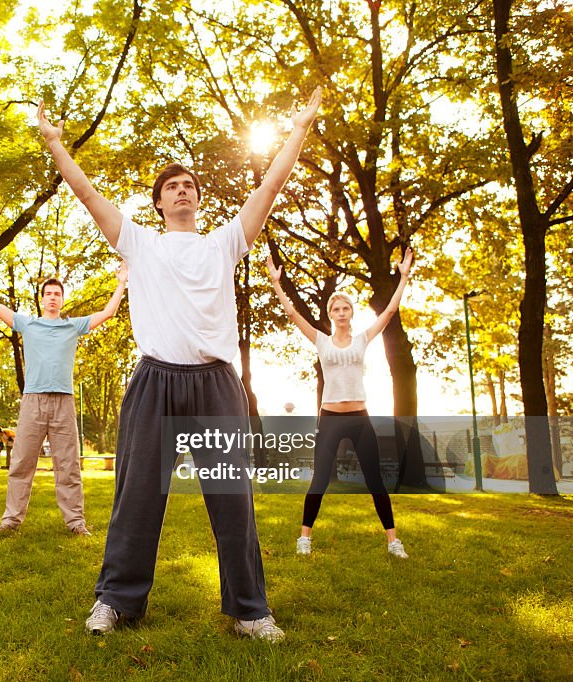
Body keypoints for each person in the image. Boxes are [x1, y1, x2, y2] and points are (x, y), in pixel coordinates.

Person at [37, 87, 322, 642]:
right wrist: (56, 145)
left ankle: (248, 609)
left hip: (215, 383)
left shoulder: (224, 242)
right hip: (155, 381)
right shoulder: (139, 243)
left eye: (189, 185)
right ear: (159, 203)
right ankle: (117, 601)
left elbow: (269, 187)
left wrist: (299, 131)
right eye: (172, 187)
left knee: (233, 503)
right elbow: (88, 194)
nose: (183, 191)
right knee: (136, 498)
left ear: (198, 199)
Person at [266, 249, 413, 559]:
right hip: (331, 418)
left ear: (351, 313)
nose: (342, 311)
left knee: (375, 481)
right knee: (320, 479)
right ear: (331, 314)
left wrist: (403, 278)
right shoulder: (321, 340)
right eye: (337, 308)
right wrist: (277, 284)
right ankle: (304, 538)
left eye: (346, 307)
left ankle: (393, 542)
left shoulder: (362, 339)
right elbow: (293, 315)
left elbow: (388, 312)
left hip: (360, 417)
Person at [0, 250, 127, 536]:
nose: (52, 297)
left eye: (57, 293)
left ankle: (75, 523)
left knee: (68, 466)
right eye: (47, 293)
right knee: (21, 464)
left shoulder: (73, 326)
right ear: (42, 298)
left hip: (63, 402)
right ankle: (10, 521)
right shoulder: (27, 324)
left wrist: (122, 281)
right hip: (33, 401)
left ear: (62, 299)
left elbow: (108, 313)